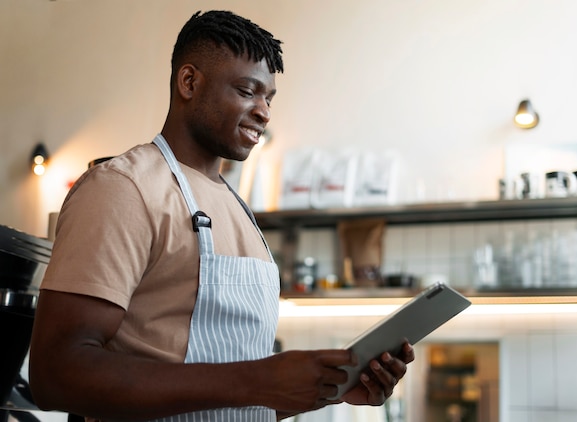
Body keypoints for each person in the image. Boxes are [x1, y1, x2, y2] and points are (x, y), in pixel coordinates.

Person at [28, 10, 414, 422]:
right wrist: (259, 379)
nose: (264, 111)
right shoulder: (124, 189)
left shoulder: (238, 209)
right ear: (189, 82)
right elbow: (56, 373)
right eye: (248, 91)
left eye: (269, 98)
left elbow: (236, 401)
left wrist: (329, 388)